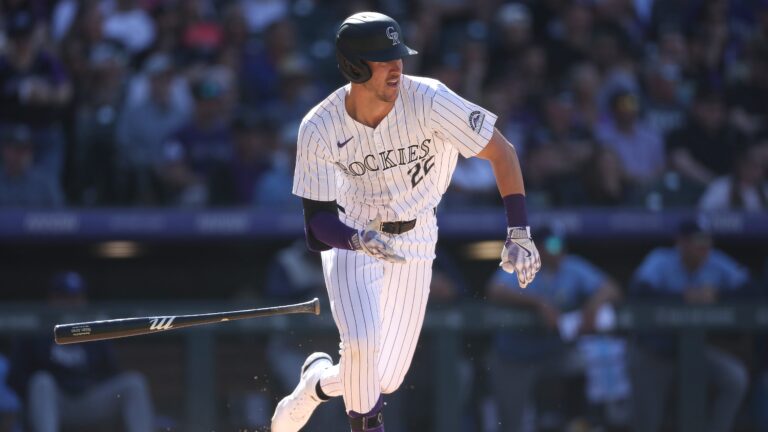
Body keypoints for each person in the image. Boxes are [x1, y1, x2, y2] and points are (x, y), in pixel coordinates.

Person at [271, 12, 541, 432]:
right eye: (384, 59)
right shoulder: (319, 126)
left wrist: (519, 231)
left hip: (416, 237)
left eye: (399, 56)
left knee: (384, 377)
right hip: (352, 236)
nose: (397, 66)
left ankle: (317, 383)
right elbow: (317, 225)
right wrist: (358, 239)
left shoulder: (430, 99)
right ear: (355, 66)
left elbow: (501, 152)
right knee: (361, 344)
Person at [487, 225, 622, 431]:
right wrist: (537, 303)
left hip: (554, 353)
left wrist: (593, 306)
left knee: (587, 362)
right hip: (515, 356)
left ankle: (587, 422)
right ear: (537, 247)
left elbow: (611, 288)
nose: (560, 250)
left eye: (561, 244)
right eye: (553, 244)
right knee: (511, 423)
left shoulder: (572, 267)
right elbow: (495, 290)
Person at [628, 219, 750, 432]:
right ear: (681, 242)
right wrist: (683, 297)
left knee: (735, 378)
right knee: (649, 420)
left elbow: (752, 289)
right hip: (655, 351)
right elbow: (639, 293)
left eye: (707, 241)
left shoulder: (715, 261)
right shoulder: (661, 260)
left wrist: (718, 295)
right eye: (698, 242)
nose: (704, 248)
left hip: (696, 349)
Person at [7, 271, 154, 432]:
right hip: (54, 402)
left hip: (89, 401)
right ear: (52, 299)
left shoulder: (95, 327)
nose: (71, 303)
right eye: (64, 297)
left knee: (134, 383)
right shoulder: (37, 328)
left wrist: (86, 383)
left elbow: (111, 371)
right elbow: (16, 378)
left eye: (76, 297)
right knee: (42, 381)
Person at [0, 124, 64, 208]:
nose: (22, 155)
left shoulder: (44, 183)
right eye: (17, 149)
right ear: (5, 151)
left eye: (27, 149)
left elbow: (60, 216)